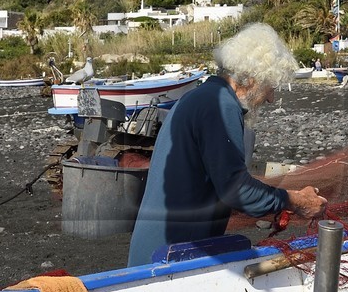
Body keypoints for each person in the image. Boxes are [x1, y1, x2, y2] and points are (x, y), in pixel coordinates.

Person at [127, 24, 326, 267]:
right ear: (252, 78)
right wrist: (295, 200)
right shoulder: (220, 106)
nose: (271, 98)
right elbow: (237, 190)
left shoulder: (203, 97)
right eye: (270, 87)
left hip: (159, 249)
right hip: (168, 259)